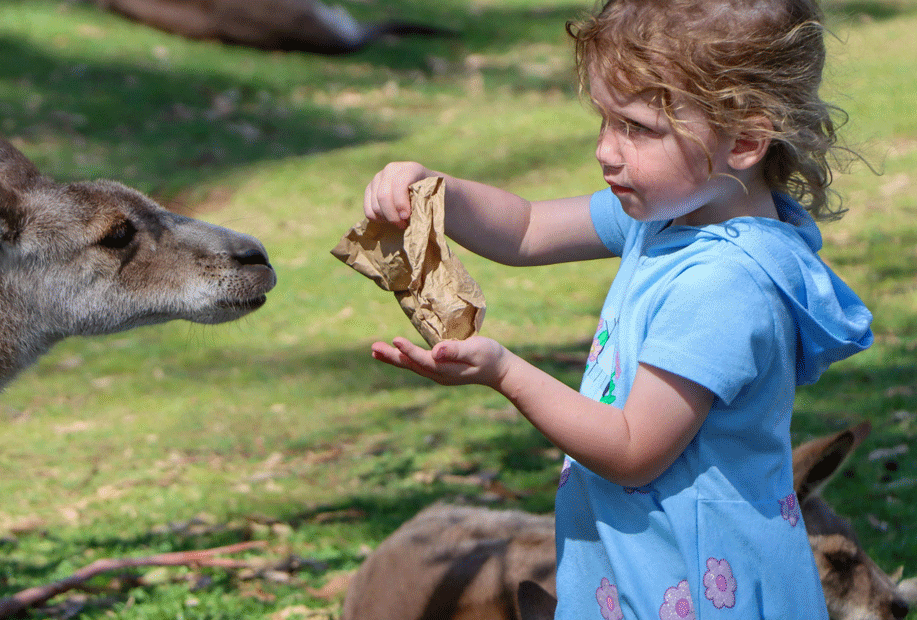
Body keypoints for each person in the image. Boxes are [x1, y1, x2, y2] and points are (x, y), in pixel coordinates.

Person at [360, 0, 873, 618]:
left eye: (638, 128)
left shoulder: (724, 287)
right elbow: (524, 229)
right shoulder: (671, 214)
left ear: (745, 139)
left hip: (699, 592)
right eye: (604, 121)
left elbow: (632, 450)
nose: (607, 151)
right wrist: (432, 190)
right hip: (645, 574)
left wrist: (504, 373)